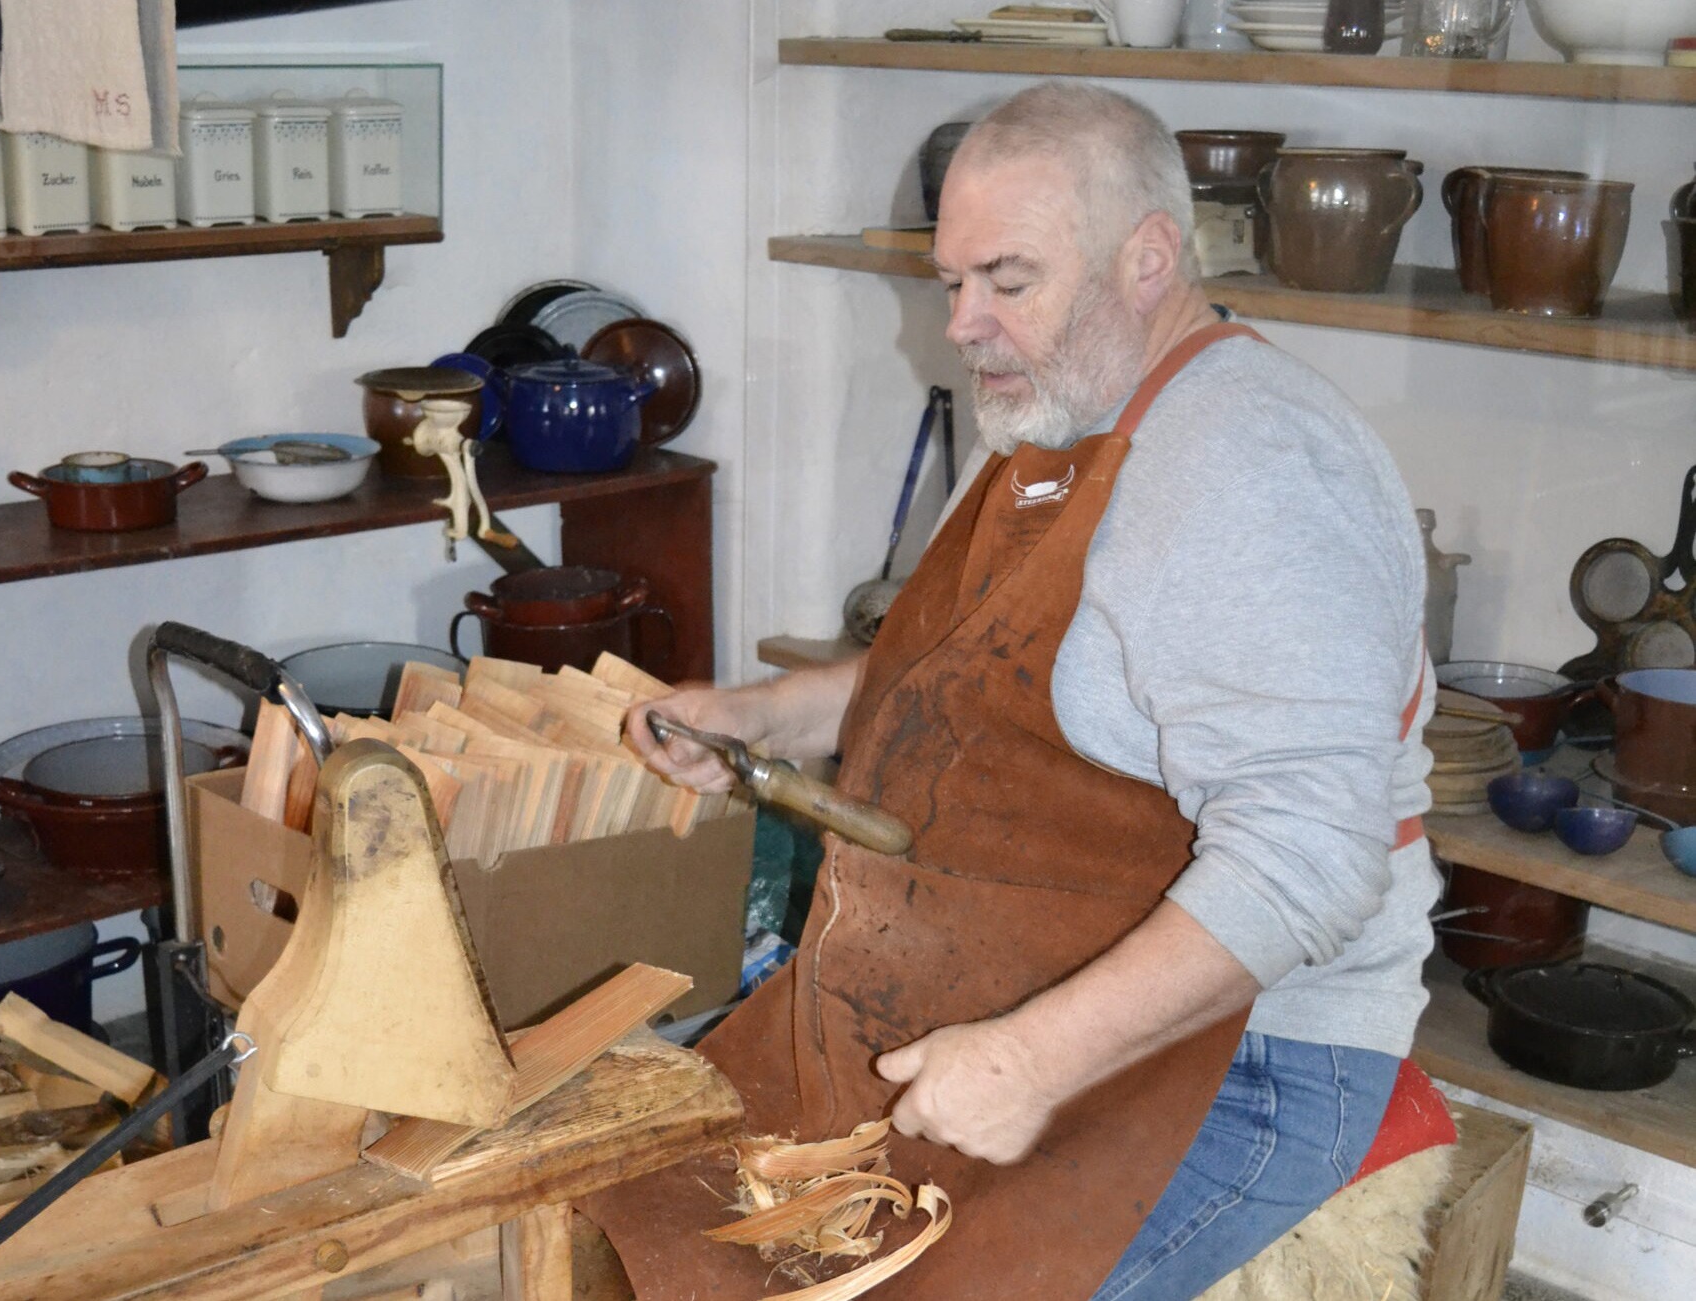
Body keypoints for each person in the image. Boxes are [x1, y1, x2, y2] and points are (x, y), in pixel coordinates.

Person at [586, 81, 1441, 1301]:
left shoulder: (1251, 471)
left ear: (1147, 257)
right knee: (667, 1218)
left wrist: (1035, 1059)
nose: (965, 325)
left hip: (1244, 1051)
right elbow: (979, 682)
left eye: (1010, 280)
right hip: (1005, 976)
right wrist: (769, 716)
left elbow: (1308, 860)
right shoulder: (1053, 419)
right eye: (952, 283)